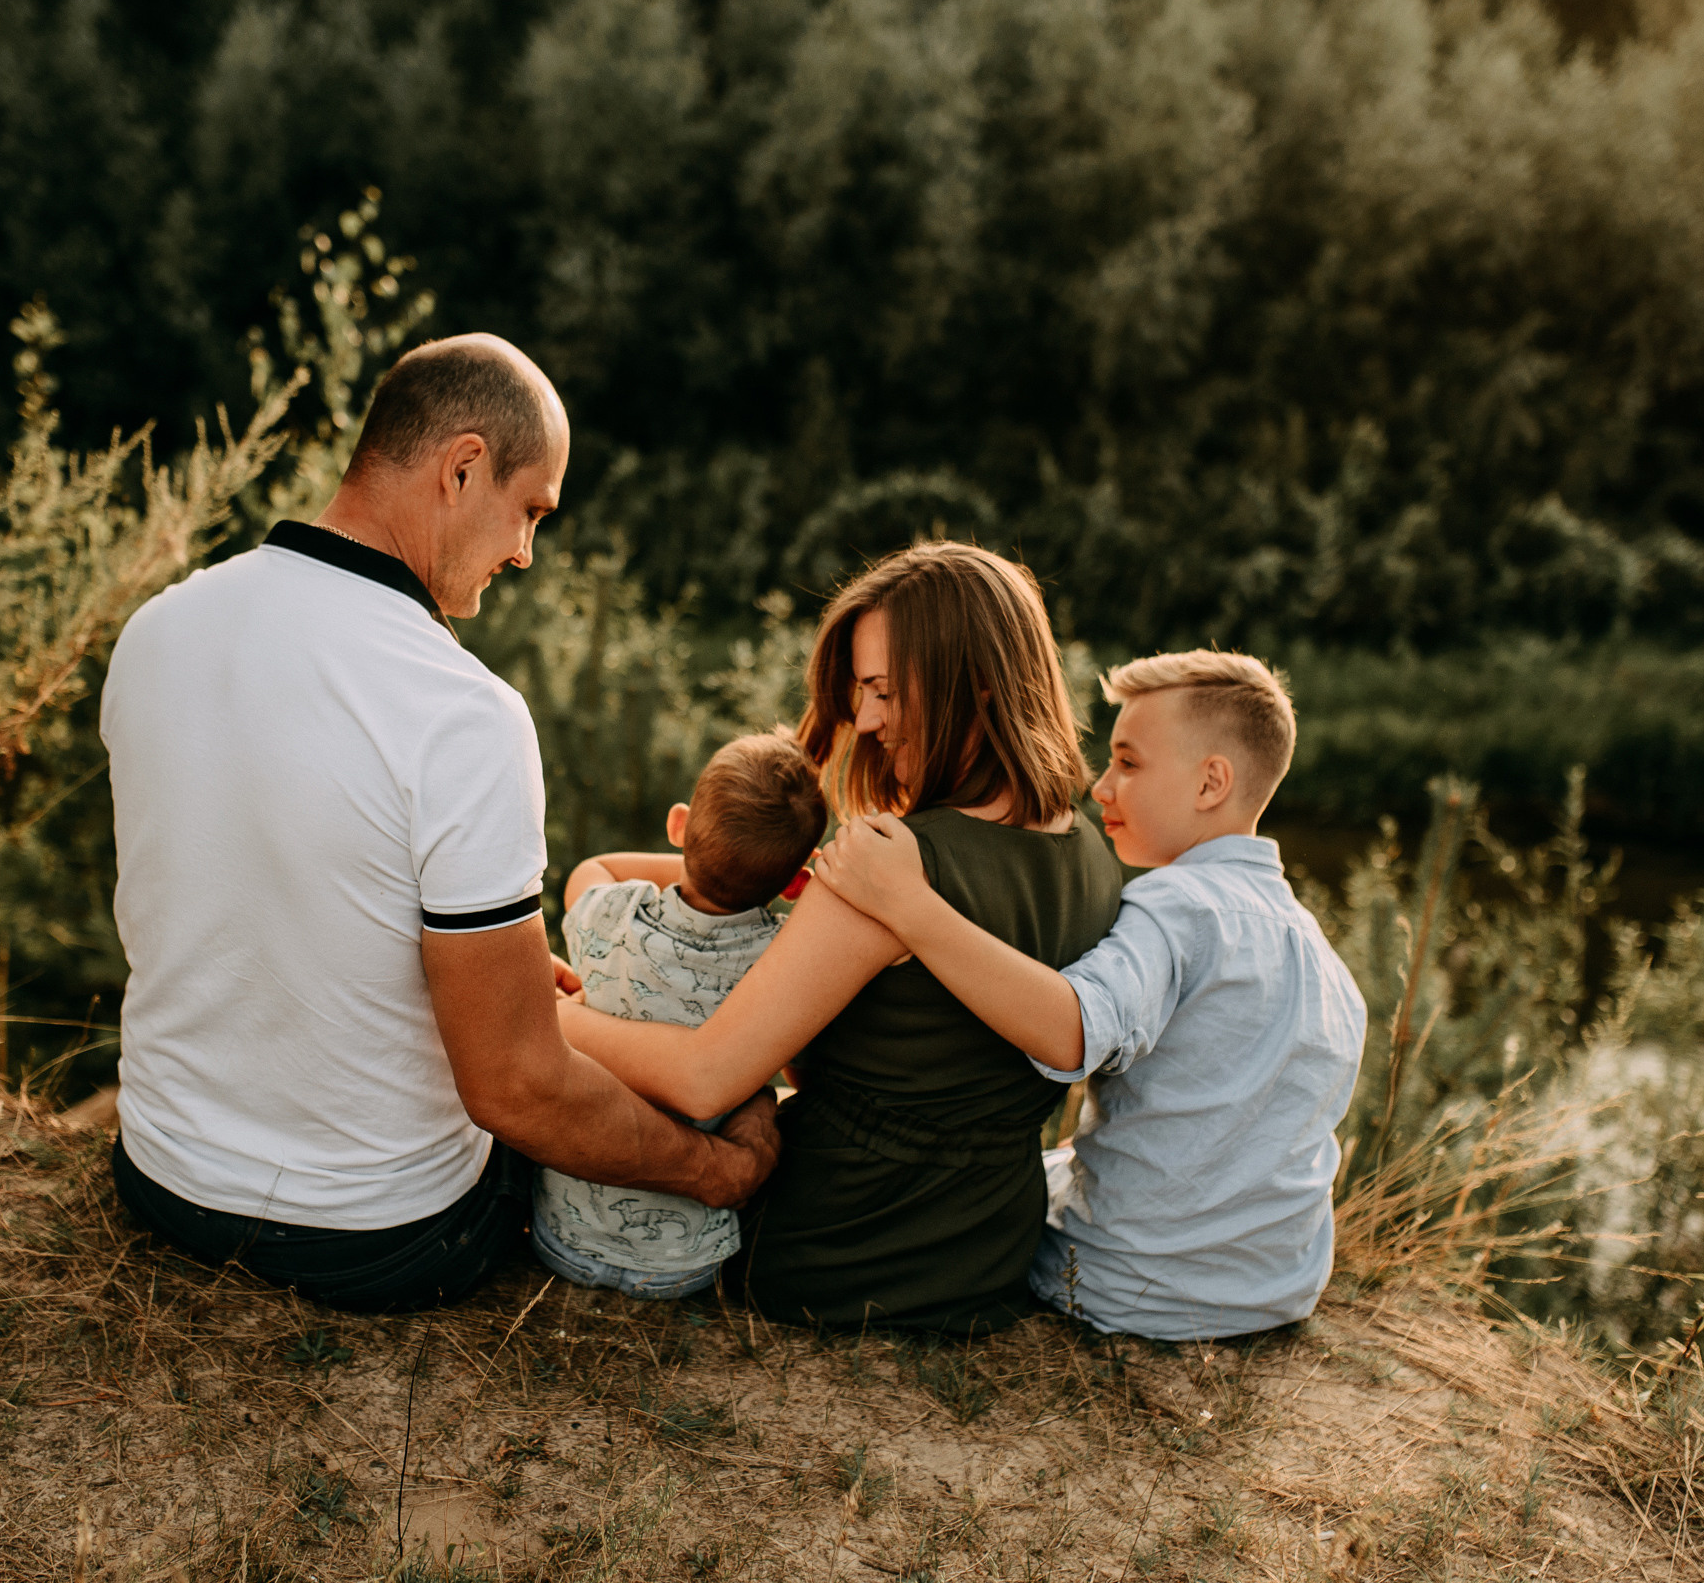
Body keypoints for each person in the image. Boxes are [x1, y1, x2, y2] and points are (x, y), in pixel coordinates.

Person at [98, 333, 779, 1313]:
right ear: (463, 465)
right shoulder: (464, 712)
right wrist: (716, 1172)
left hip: (163, 1175)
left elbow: (237, 889)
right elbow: (517, 1089)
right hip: (375, 1235)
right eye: (529, 509)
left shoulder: (158, 628)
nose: (525, 552)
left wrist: (474, 969)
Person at [556, 542, 1125, 1334]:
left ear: (978, 685)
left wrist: (551, 1019)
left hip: (833, 1246)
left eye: (885, 691)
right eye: (858, 693)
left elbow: (703, 1079)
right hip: (984, 1254)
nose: (865, 720)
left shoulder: (894, 872)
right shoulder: (1092, 851)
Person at [812, 650, 1367, 1341]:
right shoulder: (1325, 960)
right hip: (1275, 1290)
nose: (1099, 787)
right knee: (1056, 1165)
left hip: (1131, 1286)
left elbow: (1072, 1029)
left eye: (1129, 764)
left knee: (990, 1193)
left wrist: (909, 905)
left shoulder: (1176, 907)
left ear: (1211, 782)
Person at [533, 731, 829, 1299]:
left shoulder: (609, 911)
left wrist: (708, 850)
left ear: (677, 827)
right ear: (795, 880)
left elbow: (592, 868)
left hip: (562, 1237)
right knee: (758, 1096)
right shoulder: (784, 964)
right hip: (682, 1265)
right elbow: (802, 1074)